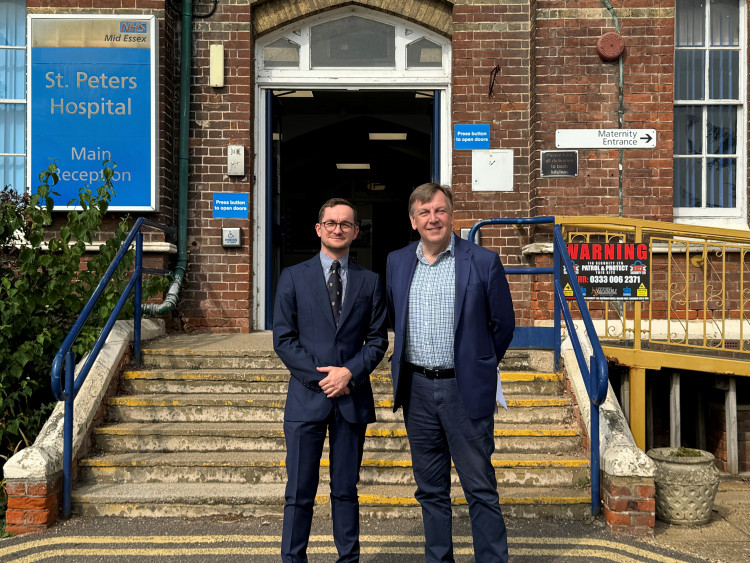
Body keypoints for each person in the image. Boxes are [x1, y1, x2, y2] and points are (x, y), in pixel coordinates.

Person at [385, 183, 515, 562]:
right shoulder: (397, 261)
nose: (433, 219)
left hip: (465, 390)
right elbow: (396, 317)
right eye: (424, 213)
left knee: (479, 488)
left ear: (452, 215)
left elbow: (502, 326)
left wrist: (479, 364)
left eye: (439, 211)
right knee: (430, 490)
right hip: (418, 390)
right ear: (413, 221)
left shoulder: (483, 260)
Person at [273, 198, 388, 563]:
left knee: (345, 491)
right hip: (307, 398)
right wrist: (324, 378)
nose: (338, 229)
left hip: (351, 400)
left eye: (346, 224)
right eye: (331, 223)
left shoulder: (370, 282)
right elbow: (284, 339)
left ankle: (348, 559)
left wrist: (349, 373)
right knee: (299, 492)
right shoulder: (292, 277)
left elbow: (378, 340)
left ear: (356, 231)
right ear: (319, 229)